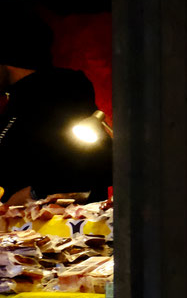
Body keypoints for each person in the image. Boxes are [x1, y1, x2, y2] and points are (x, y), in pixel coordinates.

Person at [0, 24, 110, 203]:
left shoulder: (62, 91)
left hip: (64, 225)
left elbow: (95, 165)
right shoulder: (15, 99)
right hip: (18, 226)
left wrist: (35, 192)